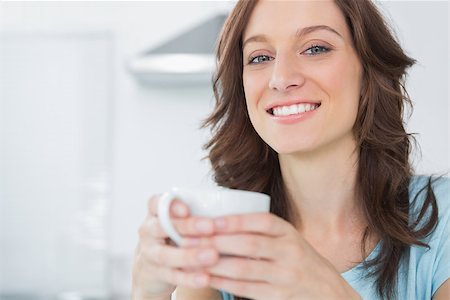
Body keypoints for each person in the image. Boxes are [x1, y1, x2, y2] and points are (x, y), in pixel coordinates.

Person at [132, 0, 449, 299]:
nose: (280, 79)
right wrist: (148, 294)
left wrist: (330, 292)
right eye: (259, 57)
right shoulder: (223, 238)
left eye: (315, 48)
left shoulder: (442, 219)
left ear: (367, 73)